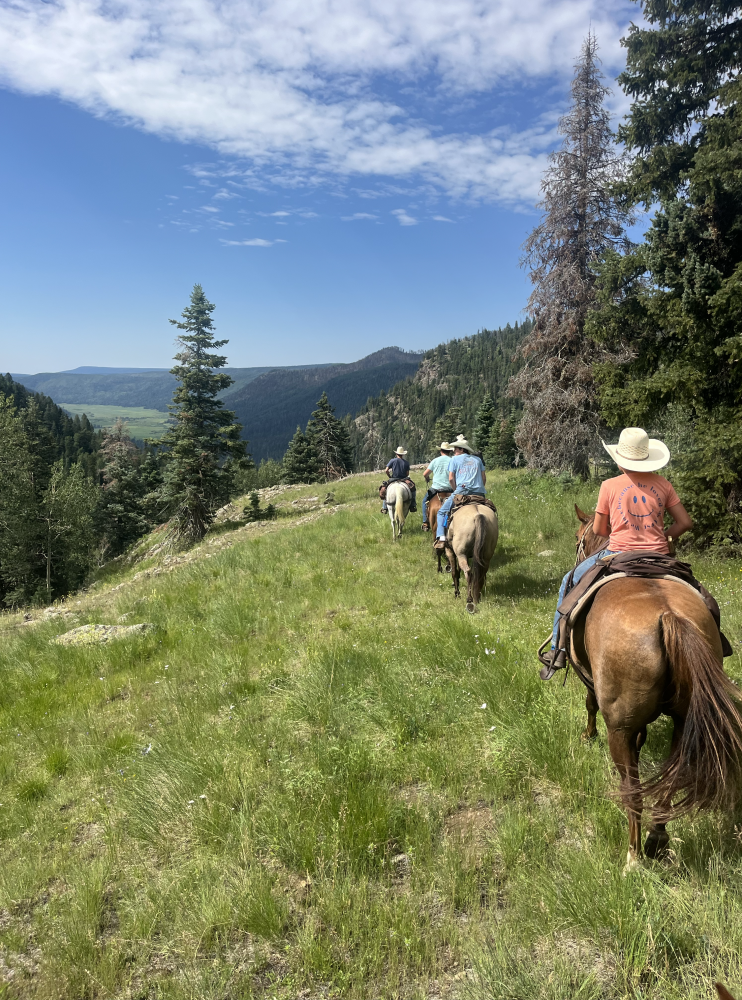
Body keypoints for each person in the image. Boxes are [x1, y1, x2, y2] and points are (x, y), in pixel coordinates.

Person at [541, 427, 694, 676]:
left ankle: (558, 650)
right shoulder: (664, 484)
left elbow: (600, 529)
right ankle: (716, 641)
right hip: (659, 555)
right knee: (697, 592)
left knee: (567, 581)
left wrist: (623, 528)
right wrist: (665, 537)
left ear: (620, 460)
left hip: (619, 552)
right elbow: (685, 523)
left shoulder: (610, 485)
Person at [433, 436, 486, 550]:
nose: (454, 451)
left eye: (456, 449)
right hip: (479, 493)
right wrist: (479, 488)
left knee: (442, 512)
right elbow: (483, 478)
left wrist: (455, 490)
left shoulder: (454, 460)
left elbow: (451, 478)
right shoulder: (478, 460)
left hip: (462, 491)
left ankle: (441, 538)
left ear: (462, 450)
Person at [421, 442, 454, 530]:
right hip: (451, 489)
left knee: (424, 501)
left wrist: (427, 478)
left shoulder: (435, 460)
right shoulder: (452, 460)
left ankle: (425, 522)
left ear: (441, 451)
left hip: (436, 489)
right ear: (449, 451)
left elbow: (425, 474)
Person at [381, 446, 417, 512]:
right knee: (413, 488)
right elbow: (407, 474)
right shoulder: (406, 462)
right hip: (404, 479)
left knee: (385, 489)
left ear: (396, 454)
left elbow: (386, 470)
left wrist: (390, 476)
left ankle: (384, 507)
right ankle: (412, 505)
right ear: (403, 454)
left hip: (393, 479)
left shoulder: (392, 460)